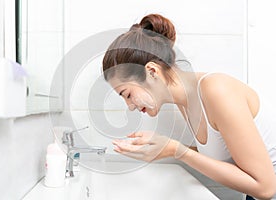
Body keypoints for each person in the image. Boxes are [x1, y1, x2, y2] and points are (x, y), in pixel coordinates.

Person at [102, 14, 276, 199]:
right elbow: (228, 154)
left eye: (127, 94)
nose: (129, 106)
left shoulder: (217, 90)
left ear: (152, 71)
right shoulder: (187, 101)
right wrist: (165, 149)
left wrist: (178, 150)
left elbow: (265, 188)